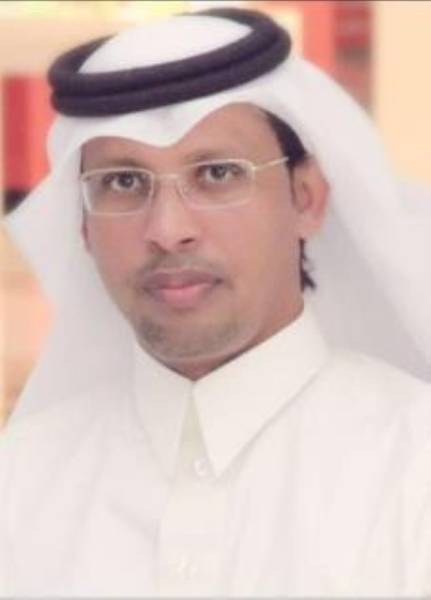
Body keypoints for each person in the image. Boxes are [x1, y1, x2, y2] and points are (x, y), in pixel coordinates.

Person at [1, 7, 430, 597]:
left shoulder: (413, 469)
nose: (168, 229)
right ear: (83, 228)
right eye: (124, 182)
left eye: (218, 173)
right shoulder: (21, 483)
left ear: (305, 198)